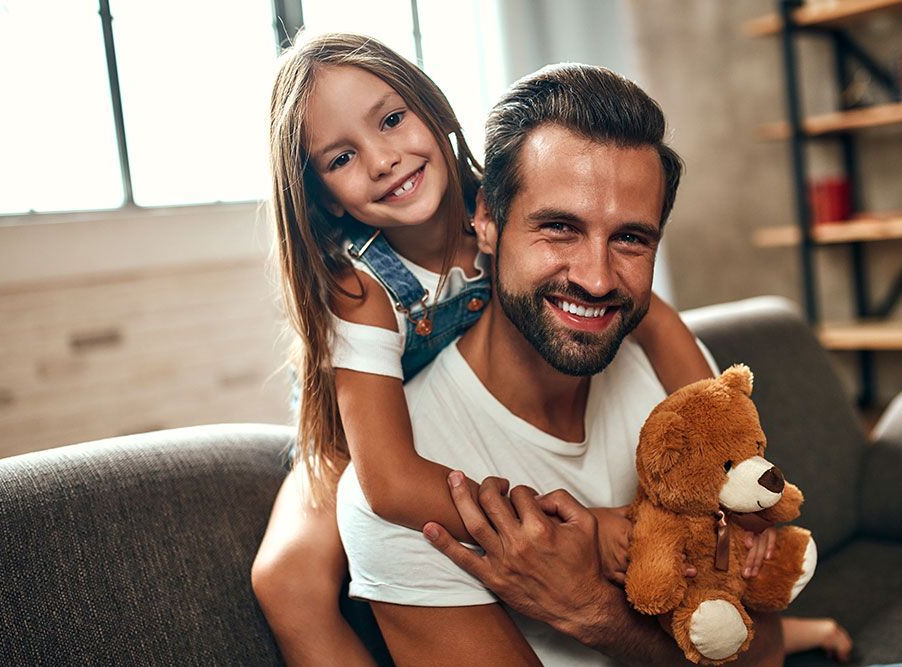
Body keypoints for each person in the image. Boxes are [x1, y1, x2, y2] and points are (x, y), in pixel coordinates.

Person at [335, 63, 848, 665]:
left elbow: (762, 651)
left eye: (631, 238)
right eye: (559, 228)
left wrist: (590, 612)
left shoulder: (679, 389)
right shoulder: (411, 490)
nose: (598, 278)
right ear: (486, 220)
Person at [250, 32, 723, 666]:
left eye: (391, 120)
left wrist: (725, 455)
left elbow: (658, 324)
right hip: (351, 432)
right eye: (340, 158)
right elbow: (388, 480)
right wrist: (567, 525)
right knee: (285, 582)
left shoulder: (507, 197)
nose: (383, 159)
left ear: (435, 111)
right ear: (321, 197)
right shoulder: (358, 289)